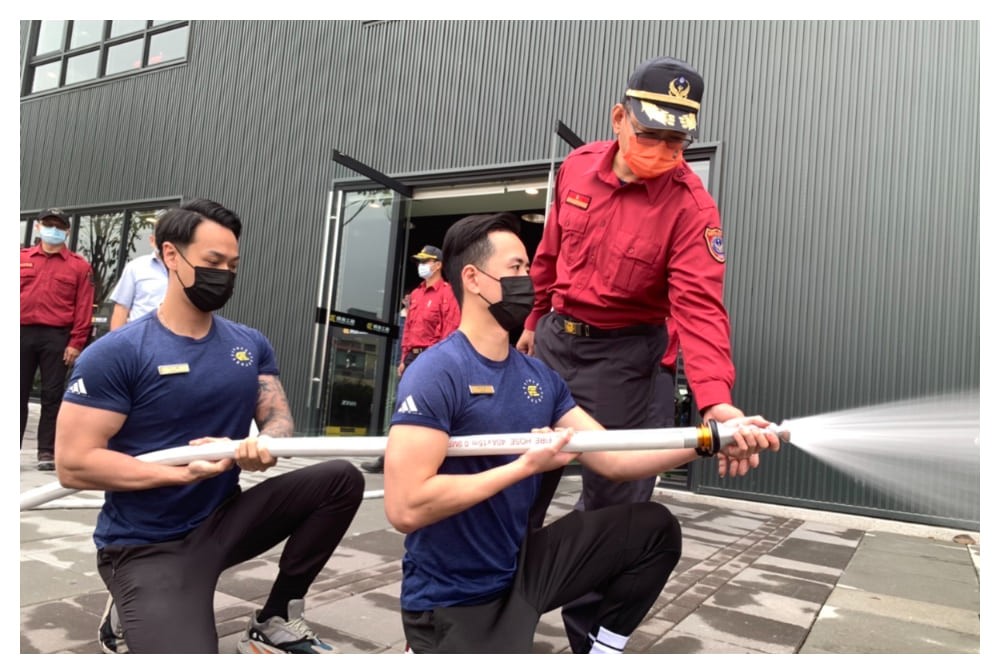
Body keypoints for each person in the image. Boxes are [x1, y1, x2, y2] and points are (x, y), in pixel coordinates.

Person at [382, 213, 778, 653]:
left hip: (520, 571)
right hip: (452, 596)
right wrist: (524, 467)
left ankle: (601, 652)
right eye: (516, 268)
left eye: (528, 267)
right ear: (473, 279)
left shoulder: (539, 377)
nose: (529, 280)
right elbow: (405, 507)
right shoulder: (436, 371)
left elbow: (616, 459)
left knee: (653, 529)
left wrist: (712, 438)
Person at [515, 56, 766, 650]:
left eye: (676, 141)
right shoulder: (577, 168)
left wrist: (716, 402)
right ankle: (493, 617)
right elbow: (549, 253)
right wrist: (530, 320)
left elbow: (700, 308)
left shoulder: (691, 208)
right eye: (650, 134)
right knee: (515, 484)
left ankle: (590, 644)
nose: (662, 150)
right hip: (553, 346)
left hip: (626, 362)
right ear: (619, 118)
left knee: (612, 511)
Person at [54, 198, 365, 654]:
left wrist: (266, 444)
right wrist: (181, 473)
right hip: (146, 544)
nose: (224, 274)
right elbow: (73, 464)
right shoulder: (117, 353)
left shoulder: (248, 344)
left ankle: (275, 618)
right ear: (171, 255)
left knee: (340, 480)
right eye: (213, 261)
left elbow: (277, 418)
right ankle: (127, 607)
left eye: (232, 265)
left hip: (222, 521)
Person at [361, 244, 460, 474]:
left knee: (433, 406)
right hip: (413, 357)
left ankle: (432, 458)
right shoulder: (416, 294)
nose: (421, 266)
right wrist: (404, 358)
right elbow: (409, 329)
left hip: (433, 357)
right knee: (402, 406)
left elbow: (450, 329)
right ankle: (389, 457)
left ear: (438, 265)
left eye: (426, 261)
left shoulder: (448, 293)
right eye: (420, 262)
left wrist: (440, 360)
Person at [20, 207, 95, 471]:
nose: (53, 230)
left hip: (56, 337)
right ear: (38, 227)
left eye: (58, 226)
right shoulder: (20, 259)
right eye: (48, 225)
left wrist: (76, 342)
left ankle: (46, 451)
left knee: (52, 396)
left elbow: (84, 307)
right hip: (20, 333)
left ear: (67, 231)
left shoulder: (79, 266)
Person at [108, 232, 169, 330]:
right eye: (162, 238)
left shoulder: (187, 269)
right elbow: (121, 308)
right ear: (152, 240)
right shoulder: (136, 267)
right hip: (140, 335)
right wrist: (116, 338)